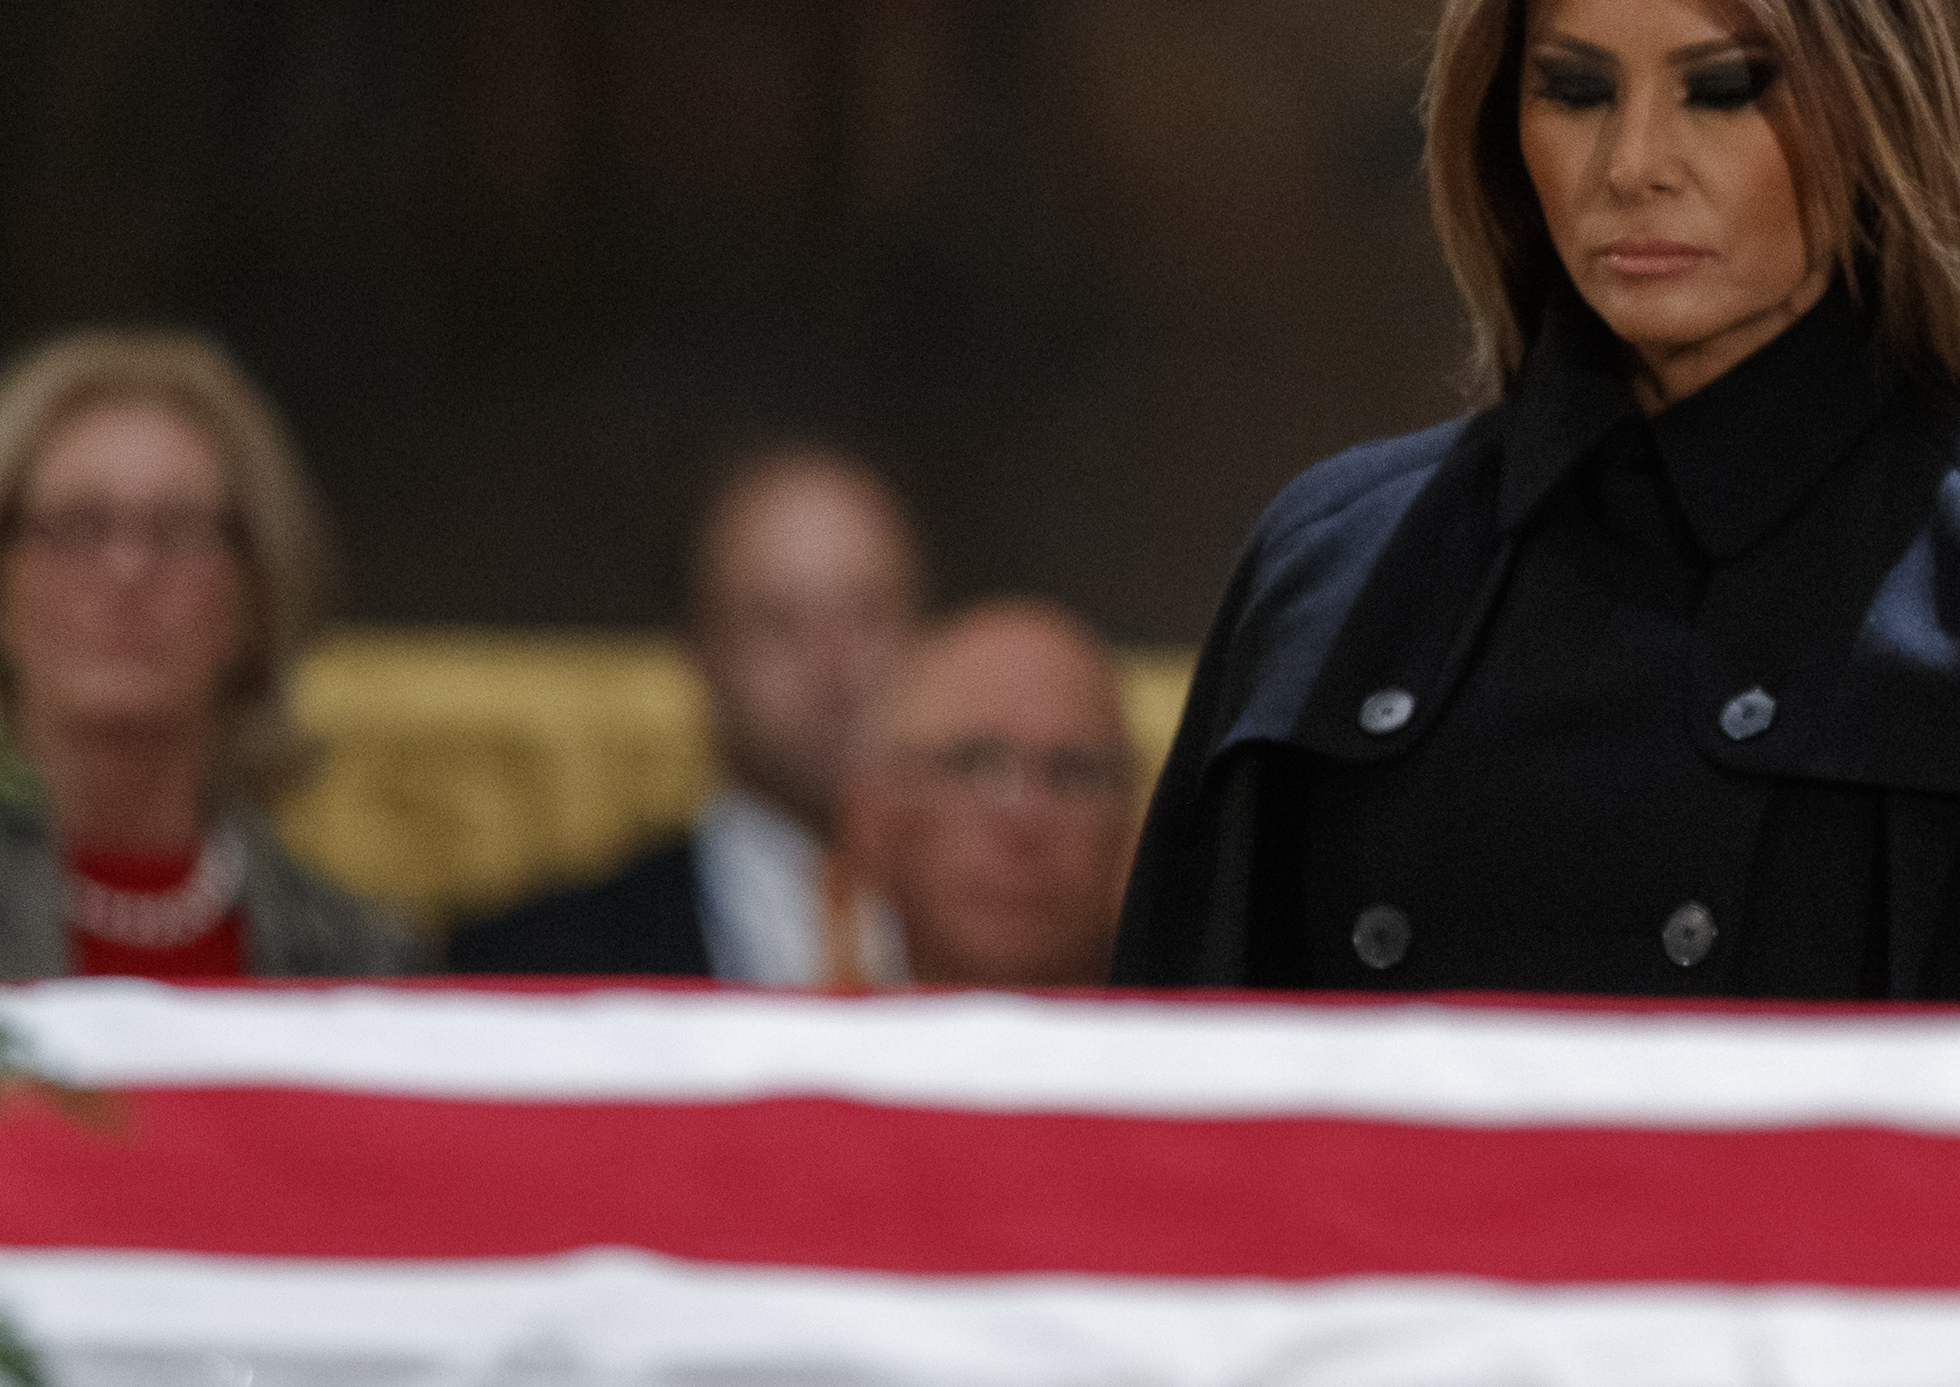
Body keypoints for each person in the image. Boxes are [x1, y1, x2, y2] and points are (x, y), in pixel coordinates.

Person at [1116, 0, 1960, 999]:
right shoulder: (1332, 557)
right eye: (1574, 90)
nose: (1632, 163)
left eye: (1722, 89)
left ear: (1890, 97)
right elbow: (1179, 1114)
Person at [0, 330, 411, 980]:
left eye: (178, 530)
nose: (126, 569)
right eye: (79, 525)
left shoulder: (355, 951)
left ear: (255, 591)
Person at [451, 442, 924, 981]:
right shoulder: (533, 967)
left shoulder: (1021, 929)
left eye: (869, 615)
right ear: (698, 656)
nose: (836, 670)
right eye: (778, 624)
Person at [834, 597, 1134, 991]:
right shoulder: (773, 1038)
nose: (1028, 816)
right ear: (871, 814)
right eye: (978, 764)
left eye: (1074, 773)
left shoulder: (1206, 1041)